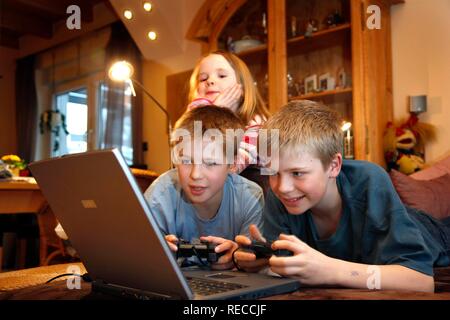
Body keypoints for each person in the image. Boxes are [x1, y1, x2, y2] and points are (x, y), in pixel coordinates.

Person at [234, 100, 450, 292]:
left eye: (297, 173)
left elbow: (422, 281)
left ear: (334, 166)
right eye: (272, 173)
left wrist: (329, 269)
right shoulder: (280, 196)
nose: (283, 187)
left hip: (432, 231)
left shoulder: (369, 180)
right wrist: (261, 262)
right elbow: (285, 267)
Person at [144, 105, 264, 270]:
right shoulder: (160, 194)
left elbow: (255, 261)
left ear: (232, 163)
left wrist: (238, 258)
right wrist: (153, 254)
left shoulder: (250, 197)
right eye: (186, 161)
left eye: (211, 163)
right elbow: (137, 256)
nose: (196, 175)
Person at [186, 51, 271, 183]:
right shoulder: (197, 112)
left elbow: (231, 167)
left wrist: (217, 113)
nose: (210, 81)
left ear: (243, 87)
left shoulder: (257, 126)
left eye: (222, 75)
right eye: (203, 79)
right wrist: (212, 111)